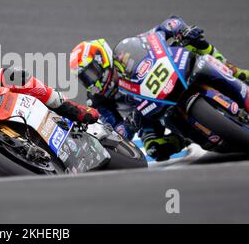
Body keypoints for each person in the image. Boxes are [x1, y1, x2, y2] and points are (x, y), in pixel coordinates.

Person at [70, 16, 249, 161]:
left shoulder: (125, 52)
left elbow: (168, 26)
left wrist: (183, 31)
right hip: (148, 114)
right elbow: (113, 132)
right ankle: (183, 138)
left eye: (90, 73)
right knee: (155, 148)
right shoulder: (98, 99)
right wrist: (130, 124)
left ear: (102, 60)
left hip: (173, 76)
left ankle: (235, 72)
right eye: (84, 79)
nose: (90, 82)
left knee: (197, 46)